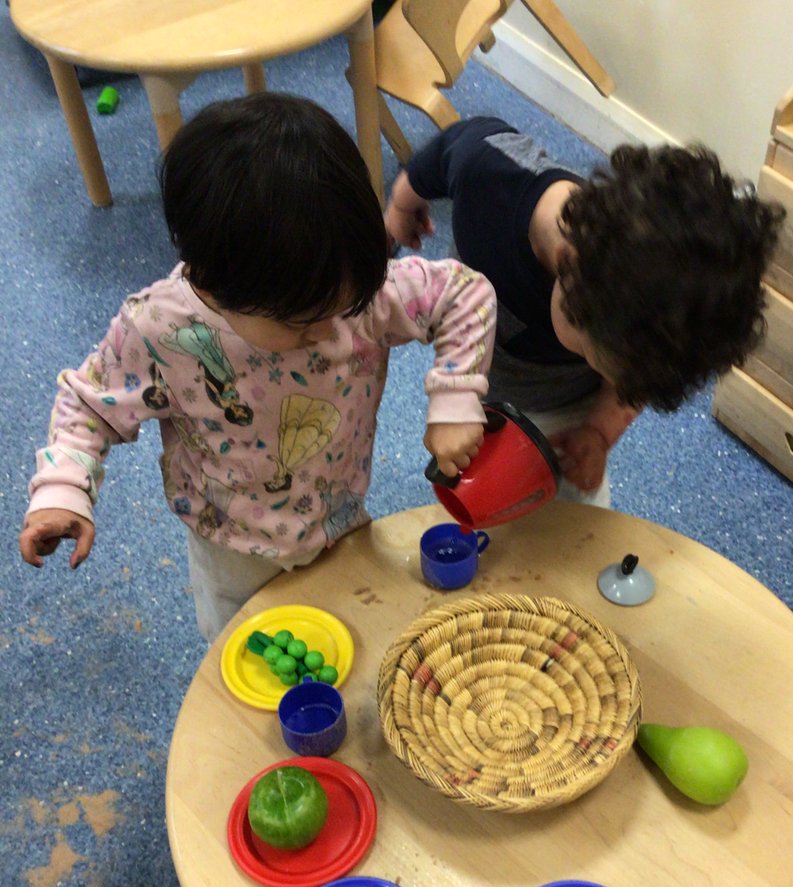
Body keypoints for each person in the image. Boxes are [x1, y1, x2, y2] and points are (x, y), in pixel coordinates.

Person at [20, 95, 495, 642]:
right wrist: (61, 492)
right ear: (218, 284)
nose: (329, 331)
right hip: (233, 550)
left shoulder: (352, 292)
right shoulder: (158, 328)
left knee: (346, 645)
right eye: (303, 324)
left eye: (342, 309)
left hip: (341, 520)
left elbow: (464, 292)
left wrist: (455, 398)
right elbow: (89, 407)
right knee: (243, 664)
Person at [384, 116, 784, 505]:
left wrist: (599, 430)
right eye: (593, 358)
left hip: (571, 411)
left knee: (571, 514)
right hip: (472, 378)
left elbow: (633, 380)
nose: (617, 380)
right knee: (471, 487)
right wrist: (403, 203)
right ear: (567, 265)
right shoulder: (490, 176)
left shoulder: (641, 323)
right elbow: (449, 148)